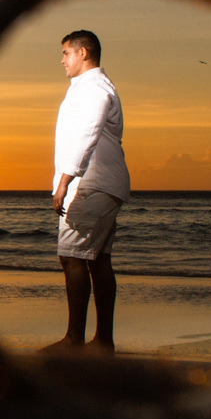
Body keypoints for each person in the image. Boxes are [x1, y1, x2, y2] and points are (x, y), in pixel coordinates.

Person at [46, 30, 130, 353]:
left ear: (83, 53)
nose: (63, 60)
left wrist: (66, 179)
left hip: (91, 184)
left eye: (66, 53)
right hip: (99, 182)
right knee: (98, 260)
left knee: (71, 257)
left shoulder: (94, 88)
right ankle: (103, 342)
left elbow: (89, 132)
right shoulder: (85, 88)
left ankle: (74, 339)